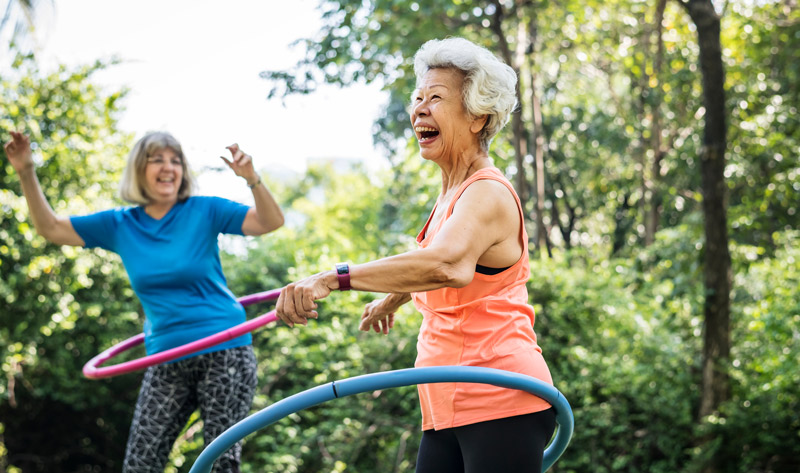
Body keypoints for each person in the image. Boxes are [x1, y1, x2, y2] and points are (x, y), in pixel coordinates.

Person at [274, 37, 556, 473]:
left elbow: (447, 264)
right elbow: (433, 258)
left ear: (478, 117)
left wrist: (334, 278)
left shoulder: (487, 192)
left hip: (500, 397)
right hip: (445, 403)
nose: (419, 109)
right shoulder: (453, 194)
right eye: (418, 98)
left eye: (436, 98)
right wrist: (393, 297)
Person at [3, 130, 284, 473]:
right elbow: (51, 228)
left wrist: (252, 179)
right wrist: (26, 169)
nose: (168, 168)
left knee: (221, 464)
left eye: (175, 160)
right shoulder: (120, 224)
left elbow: (271, 222)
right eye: (157, 159)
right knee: (140, 465)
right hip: (166, 358)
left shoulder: (205, 210)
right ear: (139, 169)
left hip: (225, 350)